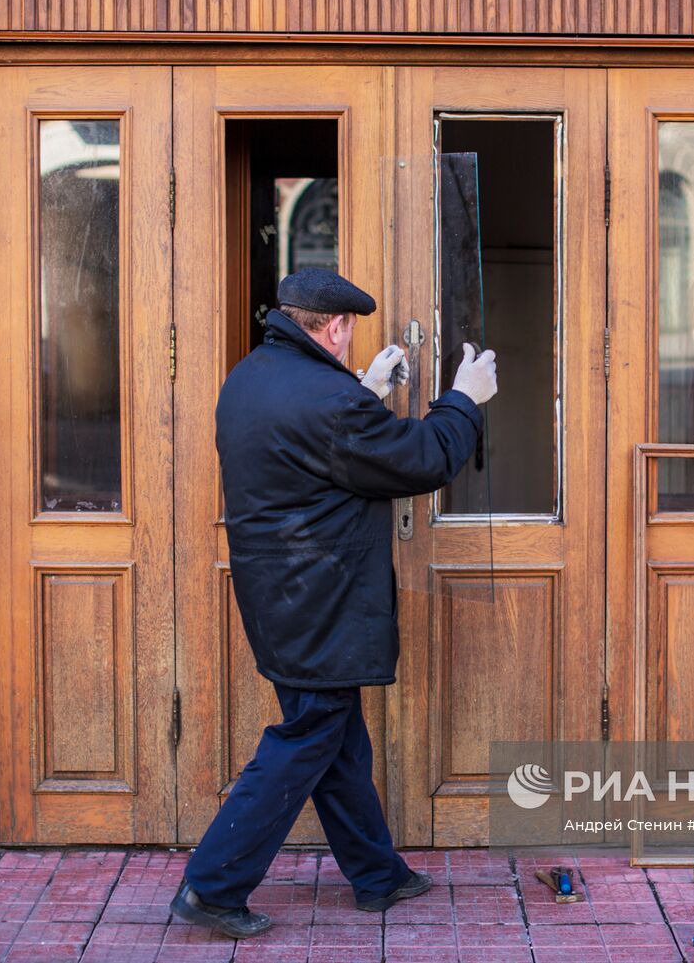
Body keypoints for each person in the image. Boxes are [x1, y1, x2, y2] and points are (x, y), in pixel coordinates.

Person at [170, 267, 499, 939]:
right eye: (350, 334)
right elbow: (426, 456)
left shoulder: (250, 377)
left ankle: (376, 873)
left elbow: (306, 452)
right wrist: (465, 398)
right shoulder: (328, 400)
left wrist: (366, 386)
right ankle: (212, 885)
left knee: (336, 734)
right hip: (316, 599)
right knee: (310, 734)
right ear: (338, 326)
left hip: (276, 594)